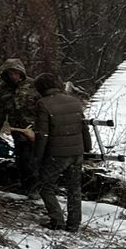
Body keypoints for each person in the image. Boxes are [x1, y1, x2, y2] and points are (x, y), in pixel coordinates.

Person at [32, 73, 93, 232]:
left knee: (46, 186)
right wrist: (87, 148)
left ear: (41, 88)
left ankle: (57, 221)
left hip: (57, 154)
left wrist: (37, 155)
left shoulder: (43, 104)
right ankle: (73, 224)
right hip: (77, 152)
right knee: (74, 188)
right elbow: (84, 127)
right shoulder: (74, 101)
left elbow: (42, 134)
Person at [0, 59, 38, 193]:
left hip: (33, 130)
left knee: (30, 159)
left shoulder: (33, 85)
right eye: (10, 73)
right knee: (20, 158)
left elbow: (43, 107)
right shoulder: (3, 88)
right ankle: (25, 184)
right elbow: (0, 111)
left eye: (15, 73)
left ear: (21, 73)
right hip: (16, 129)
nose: (13, 76)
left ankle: (34, 188)